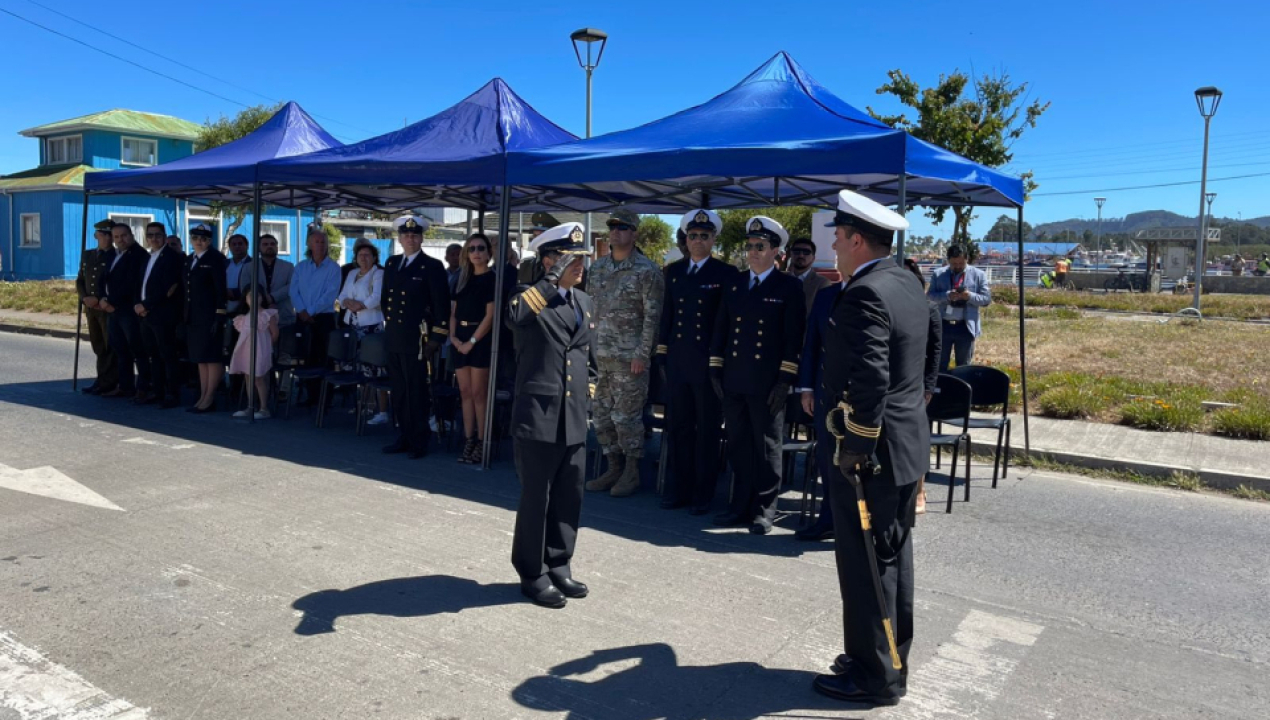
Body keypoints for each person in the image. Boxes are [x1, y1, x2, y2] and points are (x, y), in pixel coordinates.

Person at [814, 190, 930, 707]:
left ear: (858, 239)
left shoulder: (864, 293)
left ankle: (874, 677)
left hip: (873, 455)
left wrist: (856, 447)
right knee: (889, 561)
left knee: (866, 566)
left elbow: (871, 378)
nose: (835, 247)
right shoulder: (904, 281)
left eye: (839, 238)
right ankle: (884, 657)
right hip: (904, 445)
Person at [506, 222, 598, 608]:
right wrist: (550, 280)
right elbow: (516, 317)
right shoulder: (528, 298)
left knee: (568, 494)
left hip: (572, 414)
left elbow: (588, 358)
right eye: (570, 259)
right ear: (548, 260)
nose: (579, 266)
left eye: (581, 259)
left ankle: (559, 563)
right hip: (538, 413)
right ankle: (532, 572)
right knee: (536, 498)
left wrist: (588, 394)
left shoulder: (584, 302)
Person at [708, 216, 806, 534]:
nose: (752, 251)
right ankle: (740, 505)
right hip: (735, 377)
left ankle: (765, 509)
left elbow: (794, 339)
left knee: (766, 446)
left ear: (776, 251)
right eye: (749, 246)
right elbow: (721, 328)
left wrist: (784, 380)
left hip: (767, 382)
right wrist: (715, 368)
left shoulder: (789, 287)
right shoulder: (735, 283)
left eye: (760, 246)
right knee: (738, 444)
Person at [654, 209, 738, 514]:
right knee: (678, 427)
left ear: (713, 239)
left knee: (707, 430)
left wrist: (718, 362)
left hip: (707, 365)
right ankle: (679, 489)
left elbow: (726, 322)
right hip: (678, 361)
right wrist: (662, 352)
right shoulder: (674, 272)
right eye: (693, 236)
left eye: (704, 235)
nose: (698, 240)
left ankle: (703, 494)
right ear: (685, 240)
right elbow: (668, 314)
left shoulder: (725, 273)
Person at [584, 210, 665, 498]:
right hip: (602, 358)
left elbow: (653, 318)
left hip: (630, 360)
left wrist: (642, 354)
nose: (616, 232)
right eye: (613, 227)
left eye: (623, 228)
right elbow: (590, 312)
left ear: (635, 233)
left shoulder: (647, 270)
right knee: (602, 417)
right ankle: (613, 467)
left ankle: (631, 471)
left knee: (626, 418)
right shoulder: (598, 268)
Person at [380, 216, 450, 459]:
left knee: (416, 392)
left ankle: (419, 440)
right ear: (399, 239)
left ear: (421, 238)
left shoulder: (432, 266)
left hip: (418, 340)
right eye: (406, 235)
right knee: (399, 391)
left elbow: (441, 306)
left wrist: (436, 338)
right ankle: (404, 435)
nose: (410, 239)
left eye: (415, 235)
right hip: (395, 337)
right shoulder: (392, 263)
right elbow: (385, 300)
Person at [793, 273, 847, 542]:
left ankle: (853, 524)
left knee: (854, 463)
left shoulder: (871, 293)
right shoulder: (826, 295)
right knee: (827, 460)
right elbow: (811, 345)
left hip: (859, 396)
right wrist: (806, 388)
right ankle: (828, 519)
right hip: (825, 392)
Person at [450, 233, 497, 465]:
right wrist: (453, 338)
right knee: (465, 392)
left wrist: (472, 342)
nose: (476, 253)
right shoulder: (461, 278)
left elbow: (490, 316)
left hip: (480, 340)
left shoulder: (492, 279)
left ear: (488, 253)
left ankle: (482, 441)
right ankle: (469, 439)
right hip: (460, 338)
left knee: (479, 394)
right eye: (471, 249)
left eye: (480, 248)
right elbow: (453, 312)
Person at [95, 222, 151, 400]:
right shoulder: (114, 254)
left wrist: (111, 301)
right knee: (120, 349)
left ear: (132, 235)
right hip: (113, 310)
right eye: (116, 237)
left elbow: (131, 284)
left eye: (124, 236)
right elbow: (103, 278)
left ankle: (143, 388)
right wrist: (102, 298)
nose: (120, 240)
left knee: (138, 350)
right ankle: (125, 386)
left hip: (129, 310)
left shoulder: (139, 255)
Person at [134, 221, 185, 409]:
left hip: (163, 315)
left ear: (164, 236)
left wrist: (146, 305)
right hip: (145, 315)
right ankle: (157, 391)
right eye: (150, 235)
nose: (153, 238)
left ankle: (172, 394)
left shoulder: (171, 257)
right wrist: (137, 304)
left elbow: (168, 288)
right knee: (153, 355)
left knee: (168, 355)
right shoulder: (148, 257)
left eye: (157, 235)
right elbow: (140, 284)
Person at [337, 242, 388, 425]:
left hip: (371, 327)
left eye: (367, 255)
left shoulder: (378, 273)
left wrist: (361, 305)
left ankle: (382, 410)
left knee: (375, 368)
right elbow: (342, 295)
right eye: (360, 255)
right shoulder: (352, 273)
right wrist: (347, 303)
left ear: (374, 258)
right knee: (358, 368)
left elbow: (377, 297)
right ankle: (365, 404)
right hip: (352, 325)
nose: (364, 258)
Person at [290, 225, 342, 405]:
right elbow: (293, 291)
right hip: (302, 317)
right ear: (309, 244)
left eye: (323, 242)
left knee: (324, 358)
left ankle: (325, 399)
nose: (320, 245)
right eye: (316, 241)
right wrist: (302, 311)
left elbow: (330, 294)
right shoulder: (301, 267)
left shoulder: (334, 268)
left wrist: (310, 311)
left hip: (323, 318)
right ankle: (310, 396)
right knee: (306, 357)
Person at [184, 224, 228, 413]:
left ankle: (209, 397)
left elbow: (220, 290)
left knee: (212, 357)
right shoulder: (190, 260)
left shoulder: (215, 259)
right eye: (195, 238)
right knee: (200, 358)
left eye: (204, 239)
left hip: (209, 316)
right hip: (193, 316)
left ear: (209, 241)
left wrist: (219, 314)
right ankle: (203, 396)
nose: (199, 242)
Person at [928, 244, 991, 371]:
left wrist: (970, 296)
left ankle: (961, 384)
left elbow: (986, 299)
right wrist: (947, 296)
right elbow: (929, 297)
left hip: (966, 327)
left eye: (961, 263)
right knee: (938, 365)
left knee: (963, 367)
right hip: (943, 325)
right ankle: (941, 384)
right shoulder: (938, 274)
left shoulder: (979, 275)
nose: (957, 266)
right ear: (948, 260)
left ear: (967, 259)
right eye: (954, 263)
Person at [76, 219, 118, 395]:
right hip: (91, 308)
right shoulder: (88, 255)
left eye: (110, 235)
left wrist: (101, 299)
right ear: (96, 235)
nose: (107, 238)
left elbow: (116, 283)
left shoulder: (116, 256)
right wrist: (84, 297)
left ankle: (109, 381)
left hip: (105, 308)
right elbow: (80, 279)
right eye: (103, 235)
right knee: (98, 345)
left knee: (110, 346)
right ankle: (101, 379)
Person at [228, 285, 280, 420]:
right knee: (248, 377)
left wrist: (266, 347)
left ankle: (264, 408)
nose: (254, 298)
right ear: (245, 298)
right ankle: (251, 406)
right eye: (250, 295)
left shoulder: (267, 314)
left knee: (259, 378)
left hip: (261, 350)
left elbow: (275, 333)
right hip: (246, 350)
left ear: (262, 297)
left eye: (257, 295)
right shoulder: (244, 316)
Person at [246, 233, 295, 327]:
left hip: (283, 317)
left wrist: (273, 297)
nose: (269, 246)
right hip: (257, 320)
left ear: (277, 247)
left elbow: (292, 286)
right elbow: (245, 289)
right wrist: (263, 301)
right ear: (259, 248)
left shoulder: (288, 266)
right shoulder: (249, 267)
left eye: (272, 244)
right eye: (265, 244)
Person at [786, 237, 831, 318]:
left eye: (806, 252)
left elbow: (821, 315)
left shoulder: (822, 283)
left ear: (813, 258)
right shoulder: (780, 279)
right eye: (796, 251)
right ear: (791, 255)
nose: (801, 255)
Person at [517, 211, 559, 285]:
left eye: (542, 237)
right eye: (535, 236)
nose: (537, 241)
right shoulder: (525, 265)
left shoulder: (561, 266)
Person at [224, 234, 251, 315]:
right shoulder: (224, 263)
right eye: (234, 244)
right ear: (230, 247)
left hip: (245, 309)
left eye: (240, 244)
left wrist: (233, 293)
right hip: (224, 309)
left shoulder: (253, 264)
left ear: (247, 246)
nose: (237, 246)